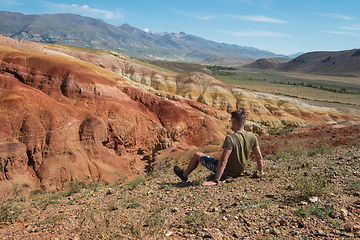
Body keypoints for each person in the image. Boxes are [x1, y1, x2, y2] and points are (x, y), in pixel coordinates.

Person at [174, 110, 263, 186]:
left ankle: (184, 175)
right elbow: (259, 156)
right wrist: (260, 171)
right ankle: (185, 174)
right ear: (245, 122)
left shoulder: (231, 138)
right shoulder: (252, 136)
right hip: (240, 171)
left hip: (227, 172)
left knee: (197, 155)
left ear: (233, 123)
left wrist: (216, 180)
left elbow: (224, 160)